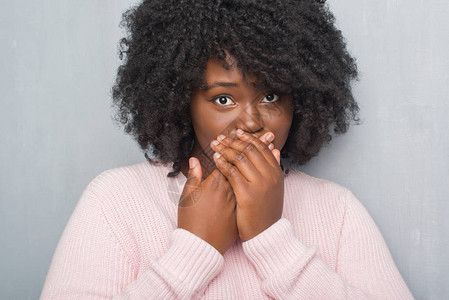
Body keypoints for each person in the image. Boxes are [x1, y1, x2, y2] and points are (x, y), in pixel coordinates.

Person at [41, 0, 414, 299]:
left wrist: (272, 240)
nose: (251, 122)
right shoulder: (115, 201)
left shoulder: (337, 211)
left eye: (270, 96)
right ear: (180, 101)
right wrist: (192, 251)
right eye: (222, 99)